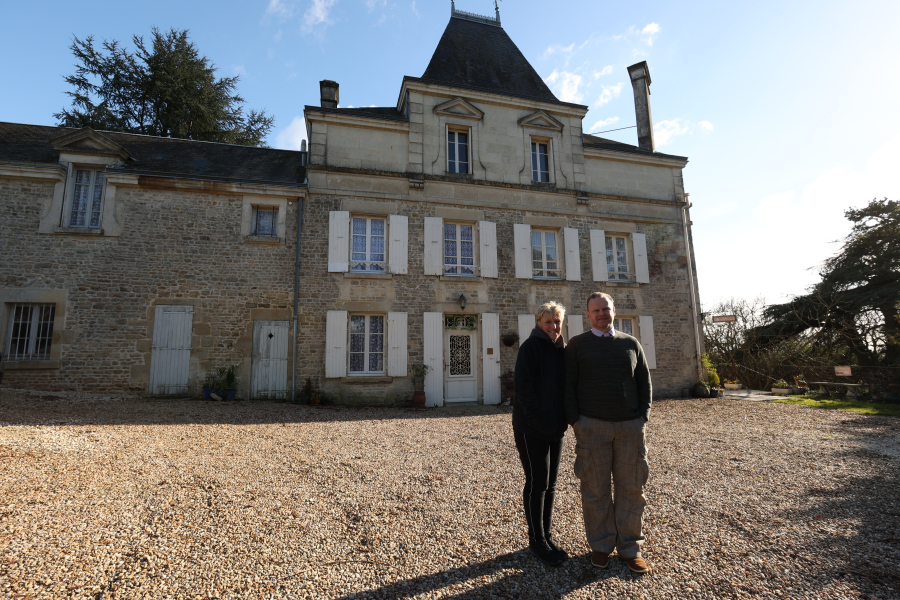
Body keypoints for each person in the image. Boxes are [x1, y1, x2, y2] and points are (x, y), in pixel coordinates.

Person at [565, 292, 653, 573]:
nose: (602, 314)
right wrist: (576, 421)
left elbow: (644, 382)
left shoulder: (631, 343)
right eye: (596, 310)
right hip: (592, 428)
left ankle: (631, 548)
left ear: (614, 311)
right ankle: (601, 545)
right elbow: (567, 386)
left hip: (630, 428)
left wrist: (642, 416)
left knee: (632, 489)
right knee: (595, 490)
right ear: (588, 315)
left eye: (606, 309)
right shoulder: (577, 345)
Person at [513, 301, 569, 567]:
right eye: (548, 322)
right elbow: (523, 388)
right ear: (538, 323)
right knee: (537, 483)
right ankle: (536, 541)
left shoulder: (560, 349)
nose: (554, 326)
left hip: (556, 427)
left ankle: (547, 536)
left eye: (557, 322)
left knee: (551, 484)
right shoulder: (530, 347)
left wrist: (563, 418)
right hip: (531, 428)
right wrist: (539, 420)